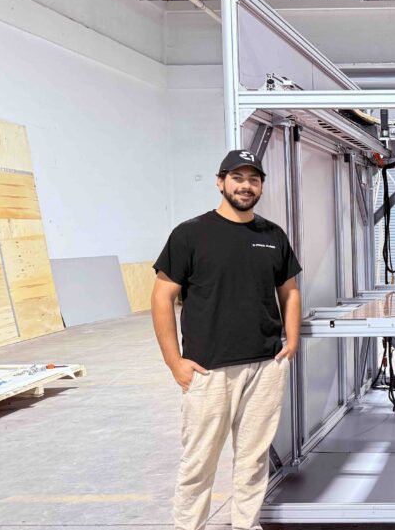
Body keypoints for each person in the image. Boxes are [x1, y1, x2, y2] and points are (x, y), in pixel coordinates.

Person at [151, 149, 302, 530]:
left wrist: (292, 340)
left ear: (261, 187)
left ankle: (246, 524)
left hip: (265, 365)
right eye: (237, 178)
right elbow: (162, 296)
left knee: (253, 459)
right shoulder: (190, 234)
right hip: (209, 369)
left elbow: (289, 290)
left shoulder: (273, 235)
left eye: (253, 179)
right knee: (199, 461)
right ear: (220, 182)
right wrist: (174, 361)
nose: (245, 186)